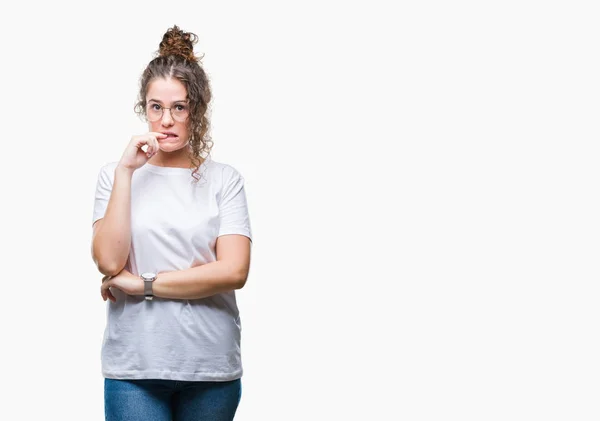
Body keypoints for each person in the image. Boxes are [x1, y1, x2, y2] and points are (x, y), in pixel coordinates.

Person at [91, 25, 252, 421]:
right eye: (155, 107)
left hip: (210, 366)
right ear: (143, 108)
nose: (166, 120)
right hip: (135, 367)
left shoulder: (224, 179)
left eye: (179, 107)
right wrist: (128, 172)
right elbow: (109, 263)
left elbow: (233, 271)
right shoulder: (115, 175)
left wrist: (141, 283)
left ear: (195, 110)